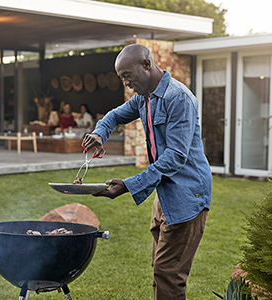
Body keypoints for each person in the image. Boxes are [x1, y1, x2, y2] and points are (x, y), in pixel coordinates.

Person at [82, 44, 212, 300]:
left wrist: (130, 184)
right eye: (122, 77)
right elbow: (113, 116)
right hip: (164, 194)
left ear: (146, 64)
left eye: (127, 75)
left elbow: (175, 157)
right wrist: (99, 134)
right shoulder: (145, 98)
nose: (125, 82)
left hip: (188, 196)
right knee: (160, 267)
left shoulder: (178, 98)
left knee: (168, 273)